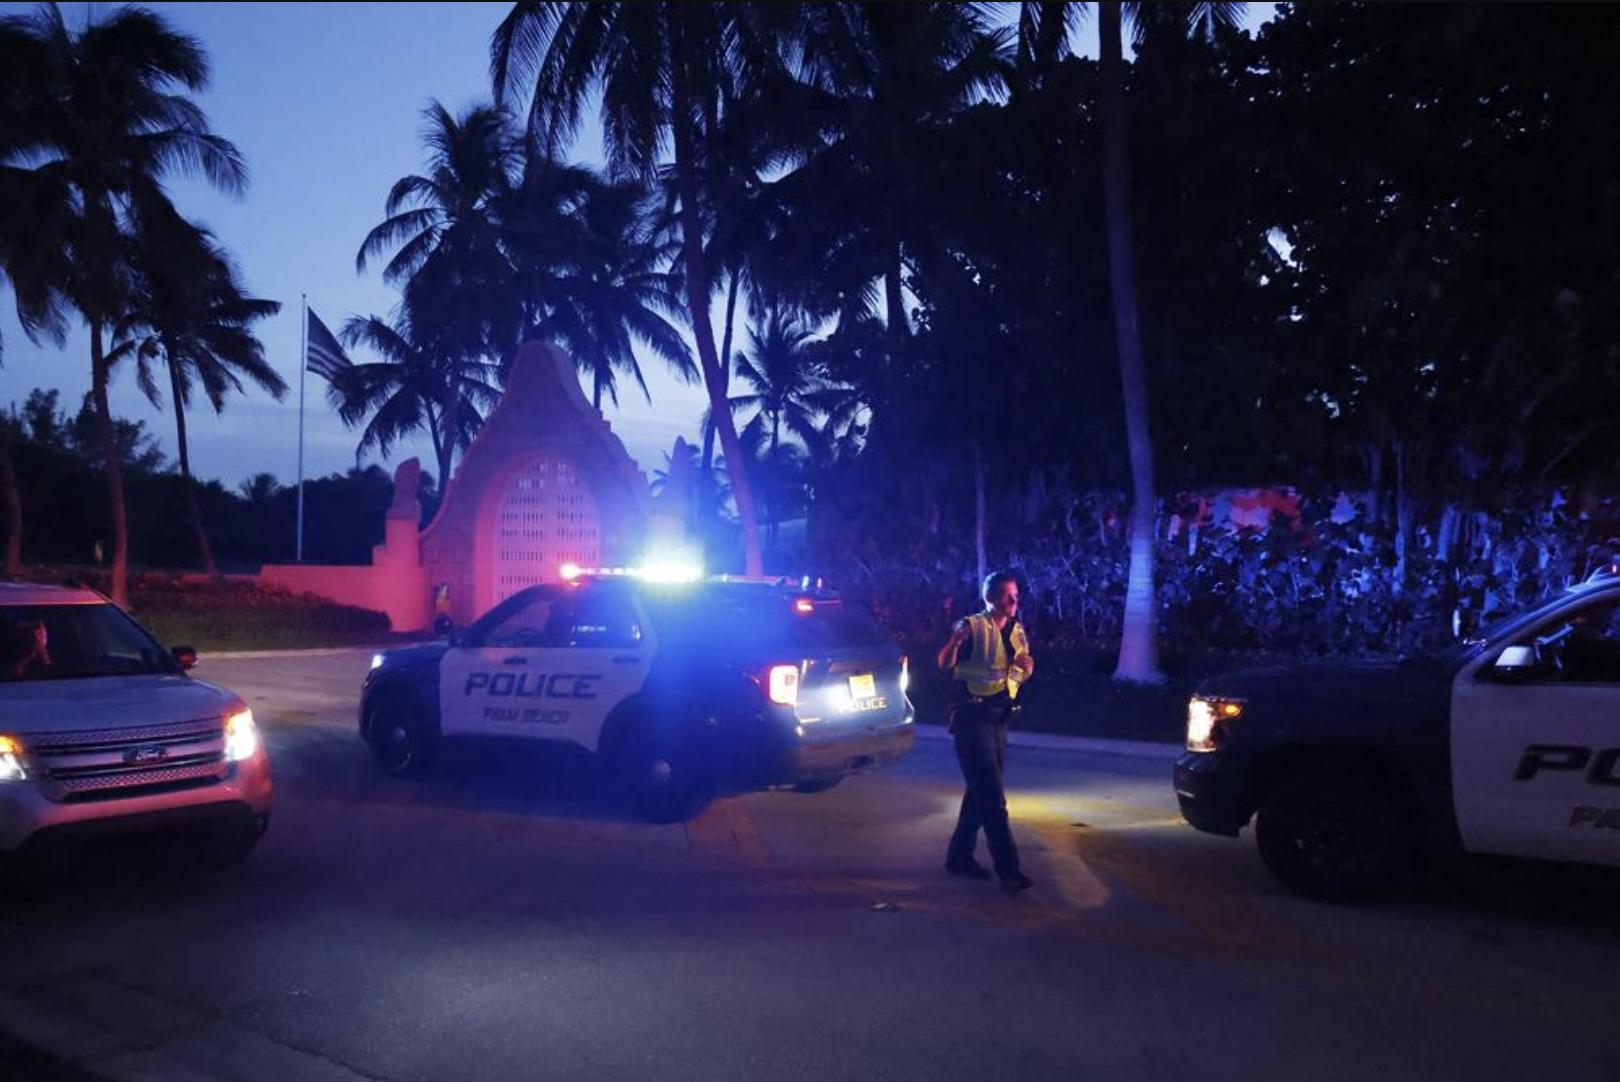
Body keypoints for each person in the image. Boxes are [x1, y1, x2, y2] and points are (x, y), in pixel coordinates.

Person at [936, 571, 1034, 893]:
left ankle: (959, 857)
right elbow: (944, 662)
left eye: (1015, 594)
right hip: (972, 719)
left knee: (980, 791)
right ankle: (1009, 871)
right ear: (990, 597)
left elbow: (1018, 668)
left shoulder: (1016, 630)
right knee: (992, 797)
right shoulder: (972, 626)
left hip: (998, 720)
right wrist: (955, 642)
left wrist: (1025, 669)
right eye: (1006, 594)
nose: (1013, 600)